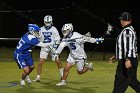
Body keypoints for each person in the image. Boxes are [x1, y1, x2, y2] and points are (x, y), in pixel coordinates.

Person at [112, 12, 140, 93]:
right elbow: (124, 46)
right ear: (130, 20)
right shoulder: (129, 30)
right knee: (132, 82)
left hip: (127, 61)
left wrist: (128, 59)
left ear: (121, 20)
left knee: (119, 86)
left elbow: (129, 46)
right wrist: (116, 55)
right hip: (130, 59)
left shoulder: (127, 31)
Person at [33, 15, 63, 82]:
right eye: (46, 22)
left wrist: (54, 47)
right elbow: (39, 38)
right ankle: (38, 77)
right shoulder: (41, 29)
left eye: (49, 22)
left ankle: (62, 76)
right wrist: (41, 43)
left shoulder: (54, 29)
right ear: (44, 21)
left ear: (51, 21)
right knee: (40, 62)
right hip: (44, 48)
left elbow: (58, 40)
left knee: (58, 61)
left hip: (53, 48)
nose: (47, 23)